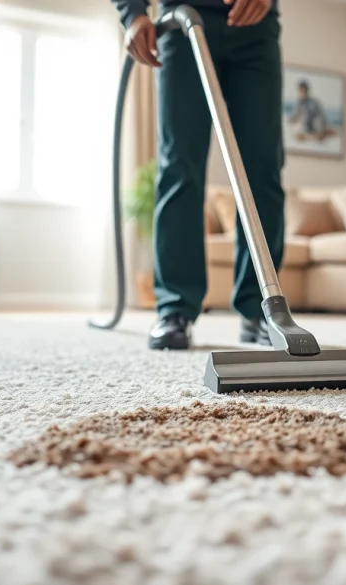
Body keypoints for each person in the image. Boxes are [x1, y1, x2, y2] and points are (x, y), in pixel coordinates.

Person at [112, 0, 284, 351]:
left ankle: (259, 311)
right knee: (179, 167)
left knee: (262, 170)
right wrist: (133, 14)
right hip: (182, 20)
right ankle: (175, 309)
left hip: (256, 23)